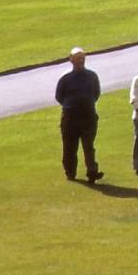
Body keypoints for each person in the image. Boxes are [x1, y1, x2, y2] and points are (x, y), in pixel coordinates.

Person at [54, 47, 103, 184]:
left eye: (82, 58)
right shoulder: (66, 79)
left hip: (88, 115)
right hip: (70, 117)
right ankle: (70, 172)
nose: (81, 61)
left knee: (89, 146)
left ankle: (92, 172)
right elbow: (59, 96)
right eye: (78, 59)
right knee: (69, 147)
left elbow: (96, 93)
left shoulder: (92, 76)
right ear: (71, 60)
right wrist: (71, 105)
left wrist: (86, 103)